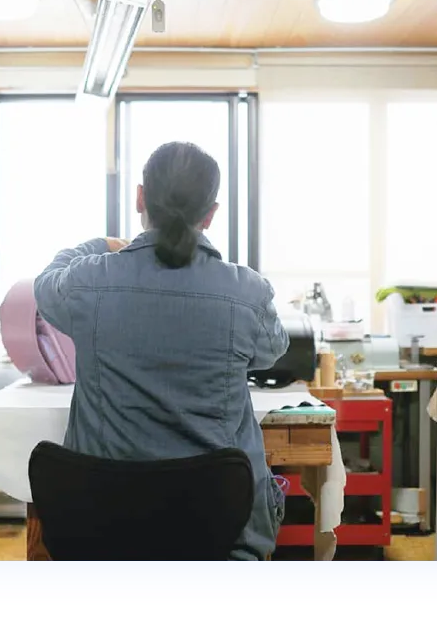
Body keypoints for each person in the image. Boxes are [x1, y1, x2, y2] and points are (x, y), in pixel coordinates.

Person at [33, 141, 290, 561]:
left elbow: (45, 284)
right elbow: (272, 350)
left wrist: (99, 244)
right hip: (221, 533)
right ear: (210, 214)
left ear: (140, 198)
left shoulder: (87, 282)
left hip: (100, 530)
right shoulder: (247, 293)